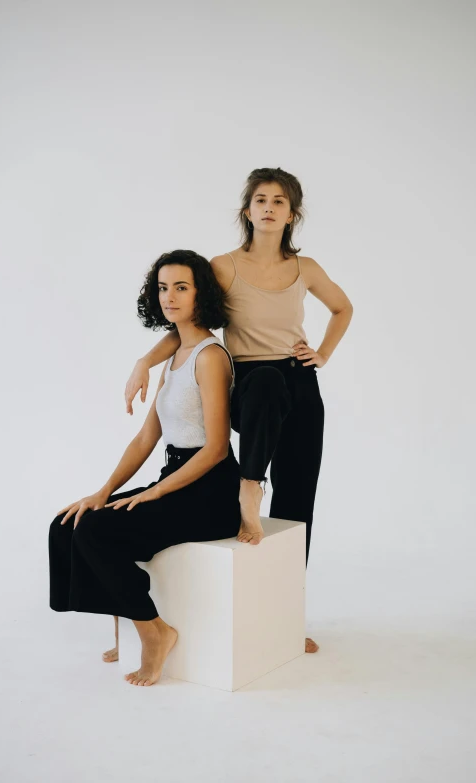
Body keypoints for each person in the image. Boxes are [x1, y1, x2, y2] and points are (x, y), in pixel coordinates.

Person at [124, 168, 354, 654]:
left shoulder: (306, 268)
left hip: (298, 383)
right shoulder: (223, 266)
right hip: (248, 381)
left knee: (298, 502)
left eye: (279, 201)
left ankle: (287, 619)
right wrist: (145, 361)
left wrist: (324, 354)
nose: (269, 207)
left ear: (292, 214)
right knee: (267, 379)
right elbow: (189, 322)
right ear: (247, 210)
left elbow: (343, 308)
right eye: (260, 200)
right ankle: (251, 485)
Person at [49, 249, 240, 686]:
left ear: (200, 294)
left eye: (181, 287)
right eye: (162, 287)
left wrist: (154, 492)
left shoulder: (210, 357)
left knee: (96, 532)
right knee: (68, 523)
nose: (169, 296)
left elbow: (215, 449)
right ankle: (131, 626)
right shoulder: (172, 357)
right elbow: (145, 439)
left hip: (209, 491)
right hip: (174, 478)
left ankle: (155, 634)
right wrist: (102, 491)